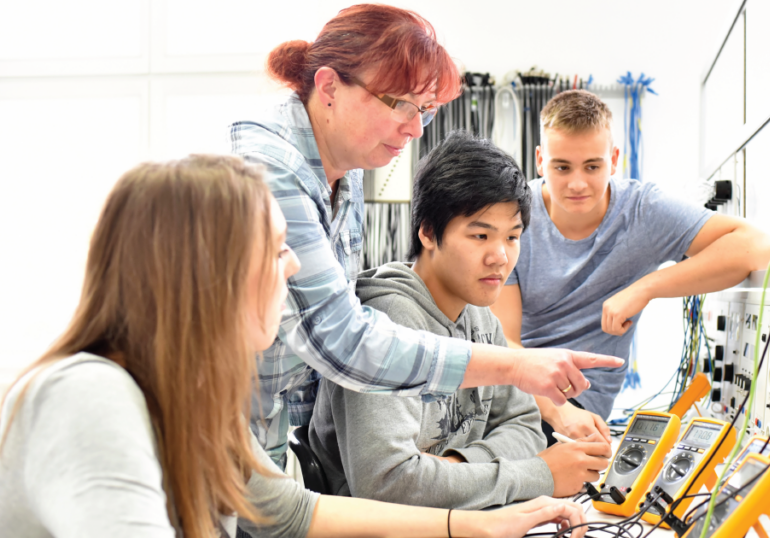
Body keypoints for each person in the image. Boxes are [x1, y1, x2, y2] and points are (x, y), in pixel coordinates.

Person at [0, 155, 587, 538]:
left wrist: (471, 528)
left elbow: (294, 512)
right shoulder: (92, 397)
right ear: (205, 271)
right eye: (275, 249)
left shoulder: (195, 398)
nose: (294, 264)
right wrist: (516, 483)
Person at [228, 3, 620, 468]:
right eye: (401, 105)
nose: (415, 129)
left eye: (426, 111)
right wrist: (516, 368)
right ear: (330, 87)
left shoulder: (347, 168)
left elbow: (519, 427)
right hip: (219, 432)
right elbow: (342, 342)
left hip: (271, 442)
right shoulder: (271, 169)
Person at [309, 132, 611, 509]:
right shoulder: (386, 321)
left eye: (513, 237)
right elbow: (388, 485)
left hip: (465, 519)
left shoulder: (481, 315)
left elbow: (526, 427)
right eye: (481, 235)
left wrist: (454, 467)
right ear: (428, 232)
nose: (500, 257)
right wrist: (540, 475)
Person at [491, 90, 770, 432]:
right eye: (562, 167)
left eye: (593, 166)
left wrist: (646, 288)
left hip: (581, 401)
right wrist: (555, 411)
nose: (577, 183)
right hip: (520, 389)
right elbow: (504, 343)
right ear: (540, 160)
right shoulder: (514, 218)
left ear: (614, 160)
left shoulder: (643, 211)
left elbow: (758, 245)